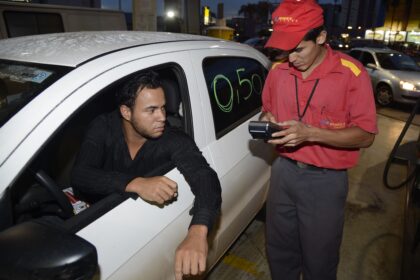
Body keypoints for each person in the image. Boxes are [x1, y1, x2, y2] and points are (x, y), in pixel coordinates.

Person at [260, 0, 378, 279]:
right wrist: (267, 121)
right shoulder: (278, 72)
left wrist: (310, 133)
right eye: (286, 50)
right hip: (283, 172)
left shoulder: (352, 74)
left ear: (322, 37)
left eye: (299, 49)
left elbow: (367, 136)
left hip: (325, 181)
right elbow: (268, 110)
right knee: (279, 250)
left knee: (319, 259)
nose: (291, 58)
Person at [70, 71, 222, 280]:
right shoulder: (103, 126)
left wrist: (198, 230)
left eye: (162, 108)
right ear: (126, 112)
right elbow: (80, 175)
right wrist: (134, 183)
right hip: (101, 226)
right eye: (151, 110)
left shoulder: (172, 139)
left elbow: (205, 176)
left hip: (142, 233)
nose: (162, 117)